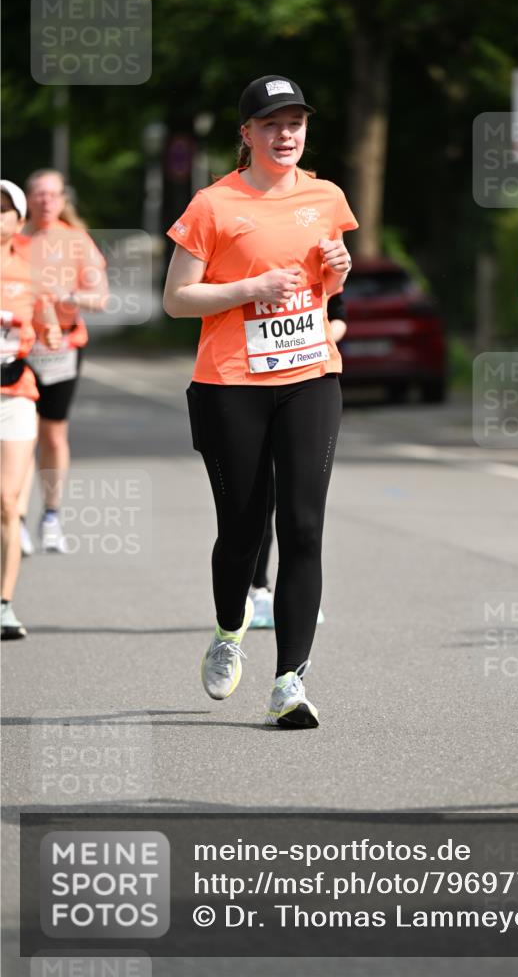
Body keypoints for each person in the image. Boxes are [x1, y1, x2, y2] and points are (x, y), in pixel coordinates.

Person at [163, 75, 357, 728]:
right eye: (271, 124)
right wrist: (250, 288)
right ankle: (227, 631)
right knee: (243, 531)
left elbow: (324, 287)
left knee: (302, 527)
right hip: (230, 384)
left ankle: (289, 683)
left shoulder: (326, 196)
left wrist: (338, 269)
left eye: (295, 122)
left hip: (309, 375)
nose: (285, 134)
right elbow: (176, 298)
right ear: (245, 134)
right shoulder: (212, 205)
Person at [17, 169, 108, 554]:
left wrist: (65, 294)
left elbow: (99, 298)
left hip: (62, 348)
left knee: (53, 434)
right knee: (19, 435)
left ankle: (51, 514)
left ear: (62, 199)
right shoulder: (12, 237)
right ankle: (15, 517)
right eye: (38, 194)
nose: (45, 201)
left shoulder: (76, 241)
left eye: (52, 194)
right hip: (17, 348)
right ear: (27, 198)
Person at [249, 290, 348, 629]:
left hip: (307, 380)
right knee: (262, 496)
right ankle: (257, 587)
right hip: (253, 381)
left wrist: (312, 339)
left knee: (301, 507)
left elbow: (338, 317)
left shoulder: (321, 253)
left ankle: (297, 598)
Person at [1, 180, 61, 639]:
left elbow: (47, 316)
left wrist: (53, 332)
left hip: (15, 393)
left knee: (7, 501)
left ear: (18, 221)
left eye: (5, 211)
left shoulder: (30, 269)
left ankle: (4, 604)